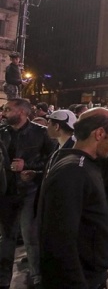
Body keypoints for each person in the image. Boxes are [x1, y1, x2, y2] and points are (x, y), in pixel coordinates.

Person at [38, 108, 108, 289]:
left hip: (93, 275)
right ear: (100, 133)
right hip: (81, 280)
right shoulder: (73, 172)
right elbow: (60, 241)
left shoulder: (87, 164)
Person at [0, 98, 55, 289]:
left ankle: (37, 278)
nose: (4, 113)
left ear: (22, 112)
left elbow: (51, 161)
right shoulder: (2, 133)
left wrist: (30, 169)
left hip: (29, 193)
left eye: (8, 109)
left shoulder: (41, 133)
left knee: (31, 238)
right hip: (6, 193)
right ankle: (3, 280)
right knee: (6, 239)